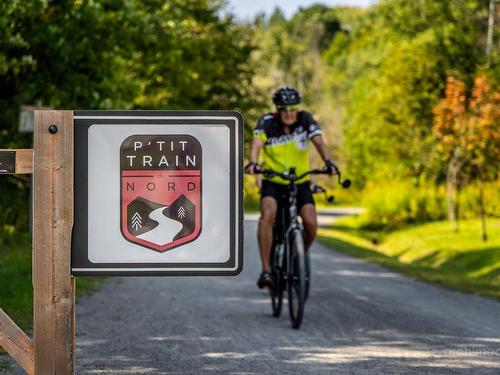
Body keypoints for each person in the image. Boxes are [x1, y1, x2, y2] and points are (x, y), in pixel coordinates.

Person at [246, 86, 336, 288]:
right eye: (284, 108)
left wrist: (329, 162)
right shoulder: (267, 122)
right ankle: (267, 270)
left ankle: (298, 254)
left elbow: (319, 143)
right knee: (267, 215)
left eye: (293, 108)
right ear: (277, 109)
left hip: (300, 180)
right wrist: (253, 163)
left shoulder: (305, 120)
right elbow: (256, 145)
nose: (289, 113)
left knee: (311, 223)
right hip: (274, 180)